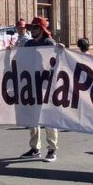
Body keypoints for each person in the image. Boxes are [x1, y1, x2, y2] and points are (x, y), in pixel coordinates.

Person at [18, 16, 58, 162]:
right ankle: (35, 148)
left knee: (48, 117)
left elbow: (56, 59)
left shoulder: (49, 42)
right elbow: (19, 58)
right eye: (31, 28)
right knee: (32, 117)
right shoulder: (28, 44)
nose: (32, 30)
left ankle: (52, 149)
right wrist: (11, 52)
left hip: (46, 85)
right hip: (31, 84)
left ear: (41, 29)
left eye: (35, 27)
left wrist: (60, 50)